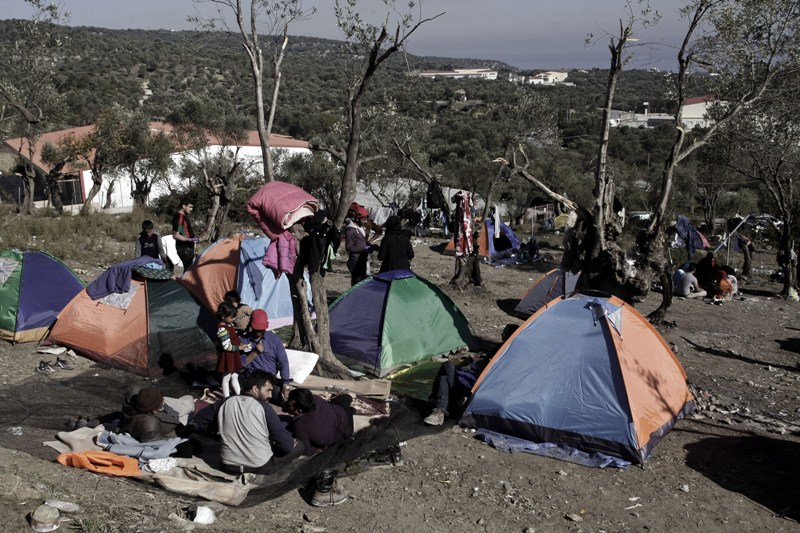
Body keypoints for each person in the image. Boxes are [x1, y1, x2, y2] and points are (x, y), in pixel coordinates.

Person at [424, 324, 518, 426]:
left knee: (447, 368)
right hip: (475, 377)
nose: (501, 335)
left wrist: (479, 364)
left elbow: (492, 368)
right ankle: (449, 403)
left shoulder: (506, 352)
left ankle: (441, 410)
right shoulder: (504, 348)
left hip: (480, 382)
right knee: (445, 376)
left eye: (504, 333)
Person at [216, 371, 303, 475]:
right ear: (255, 389)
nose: (270, 395)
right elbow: (287, 446)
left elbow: (199, 421)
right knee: (299, 445)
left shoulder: (225, 402)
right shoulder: (264, 408)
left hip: (228, 466)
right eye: (268, 390)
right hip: (259, 468)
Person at [240, 309, 292, 404]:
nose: (258, 332)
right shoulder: (243, 340)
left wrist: (286, 385)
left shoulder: (274, 339)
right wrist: (255, 352)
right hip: (253, 381)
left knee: (287, 399)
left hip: (270, 380)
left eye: (261, 329)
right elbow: (241, 364)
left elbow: (283, 362)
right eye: (256, 329)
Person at [284, 388, 355, 456]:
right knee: (342, 400)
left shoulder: (300, 425)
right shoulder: (316, 399)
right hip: (344, 418)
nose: (287, 403)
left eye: (289, 404)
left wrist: (317, 449)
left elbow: (306, 450)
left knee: (340, 401)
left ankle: (350, 401)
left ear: (298, 411)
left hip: (342, 436)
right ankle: (350, 403)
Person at [215, 302, 252, 398]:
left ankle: (239, 395)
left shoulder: (229, 325)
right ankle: (226, 397)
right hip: (228, 356)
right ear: (223, 316)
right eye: (232, 317)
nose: (234, 319)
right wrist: (239, 348)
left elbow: (233, 338)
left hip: (233, 354)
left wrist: (240, 345)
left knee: (235, 375)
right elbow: (226, 346)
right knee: (226, 377)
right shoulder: (222, 330)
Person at [344, 204, 373, 285]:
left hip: (362, 259)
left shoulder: (361, 227)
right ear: (357, 218)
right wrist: (363, 248)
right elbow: (348, 247)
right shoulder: (351, 230)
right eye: (363, 220)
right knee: (356, 283)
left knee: (363, 283)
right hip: (355, 261)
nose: (365, 222)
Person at [172, 198, 198, 271]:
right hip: (184, 248)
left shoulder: (184, 216)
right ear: (184, 206)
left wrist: (193, 238)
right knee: (189, 270)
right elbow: (176, 235)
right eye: (190, 207)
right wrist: (189, 239)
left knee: (190, 269)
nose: (191, 209)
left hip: (188, 247)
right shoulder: (179, 217)